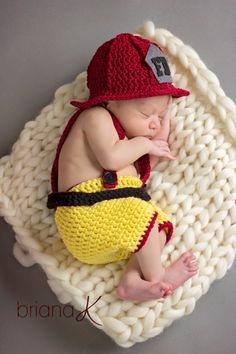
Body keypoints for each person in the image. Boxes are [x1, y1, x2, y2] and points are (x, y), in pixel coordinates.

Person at [47, 33, 198, 301]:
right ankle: (157, 277)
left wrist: (164, 120)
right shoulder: (96, 117)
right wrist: (144, 143)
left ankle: (131, 281)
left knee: (158, 224)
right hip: (85, 216)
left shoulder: (127, 139)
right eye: (146, 114)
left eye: (159, 116)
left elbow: (147, 159)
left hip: (109, 223)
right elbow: (111, 159)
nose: (153, 124)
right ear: (111, 100)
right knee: (142, 219)